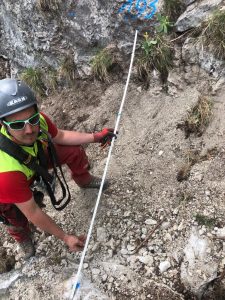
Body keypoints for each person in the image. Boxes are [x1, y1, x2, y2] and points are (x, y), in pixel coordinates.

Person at [0, 78, 115, 259]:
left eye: (32, 119)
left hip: (34, 159)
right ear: (3, 124)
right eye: (17, 125)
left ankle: (84, 180)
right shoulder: (6, 173)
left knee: (72, 151)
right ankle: (22, 237)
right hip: (10, 180)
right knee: (14, 215)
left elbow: (60, 136)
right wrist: (65, 237)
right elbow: (33, 212)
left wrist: (96, 137)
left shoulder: (39, 121)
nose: (29, 130)